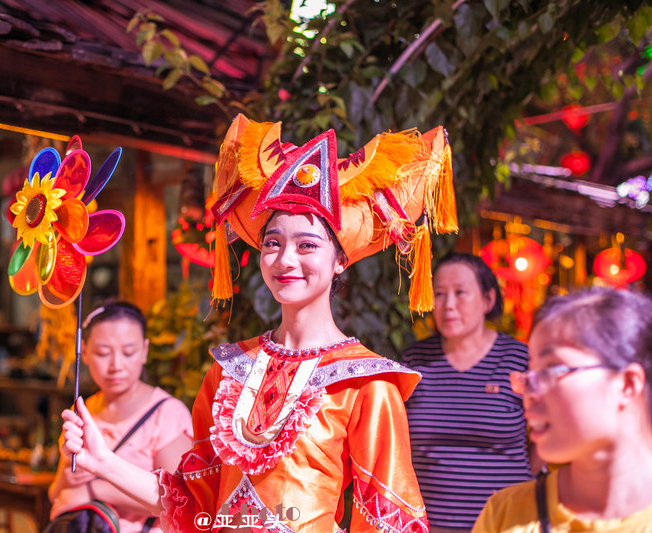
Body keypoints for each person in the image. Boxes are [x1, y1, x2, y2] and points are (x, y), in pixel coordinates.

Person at [60, 114, 459, 532]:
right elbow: (191, 504)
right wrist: (101, 461)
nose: (285, 260)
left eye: (307, 245)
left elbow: (389, 523)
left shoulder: (366, 385)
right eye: (273, 243)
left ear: (340, 260)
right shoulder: (229, 371)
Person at [472, 287, 652, 533]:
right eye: (530, 373)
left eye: (550, 370)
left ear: (627, 384)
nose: (527, 393)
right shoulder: (506, 514)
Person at [402, 253, 532, 532]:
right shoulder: (415, 361)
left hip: (511, 522)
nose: (448, 305)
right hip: (431, 524)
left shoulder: (520, 359)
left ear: (488, 299)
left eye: (460, 293)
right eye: (439, 294)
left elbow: (548, 432)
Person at [47, 301, 193, 533]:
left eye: (128, 352)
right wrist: (67, 473)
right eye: (103, 353)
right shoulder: (83, 412)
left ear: (144, 351)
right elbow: (59, 495)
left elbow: (183, 500)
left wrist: (94, 490)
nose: (116, 365)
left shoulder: (167, 414)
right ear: (83, 352)